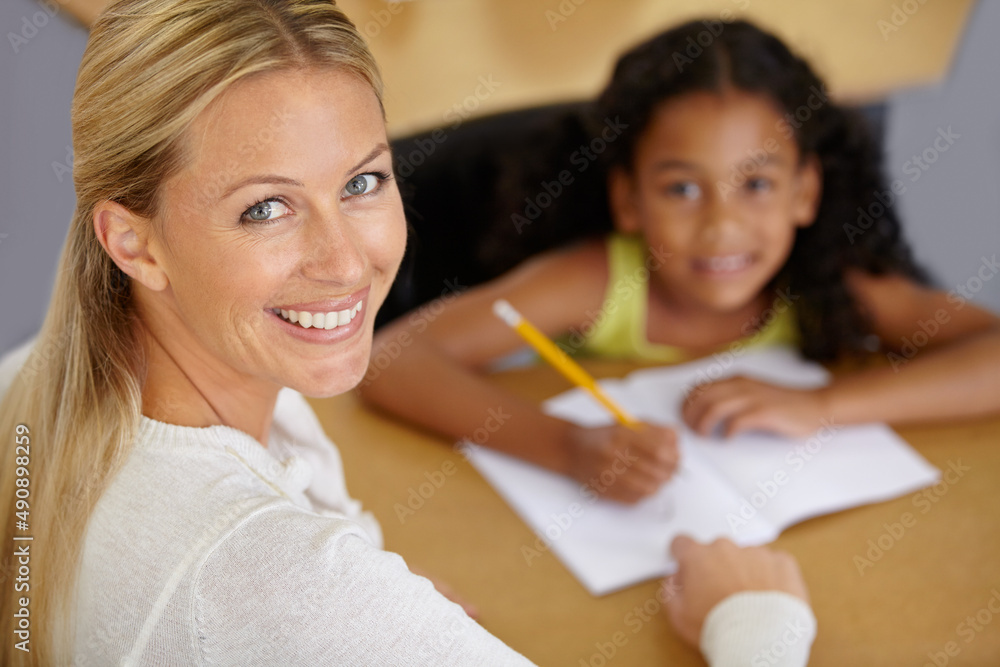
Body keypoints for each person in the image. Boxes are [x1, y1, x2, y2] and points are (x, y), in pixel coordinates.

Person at [0, 1, 818, 664]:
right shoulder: (270, 574)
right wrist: (755, 617)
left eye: (362, 181)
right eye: (265, 207)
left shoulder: (34, 374)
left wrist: (356, 613)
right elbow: (256, 585)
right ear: (133, 241)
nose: (347, 259)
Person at [358, 19, 1000, 503]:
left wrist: (825, 406)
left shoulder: (827, 283)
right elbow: (394, 361)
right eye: (682, 189)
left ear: (805, 191)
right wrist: (568, 448)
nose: (722, 226)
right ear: (628, 199)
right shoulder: (599, 279)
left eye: (756, 185)